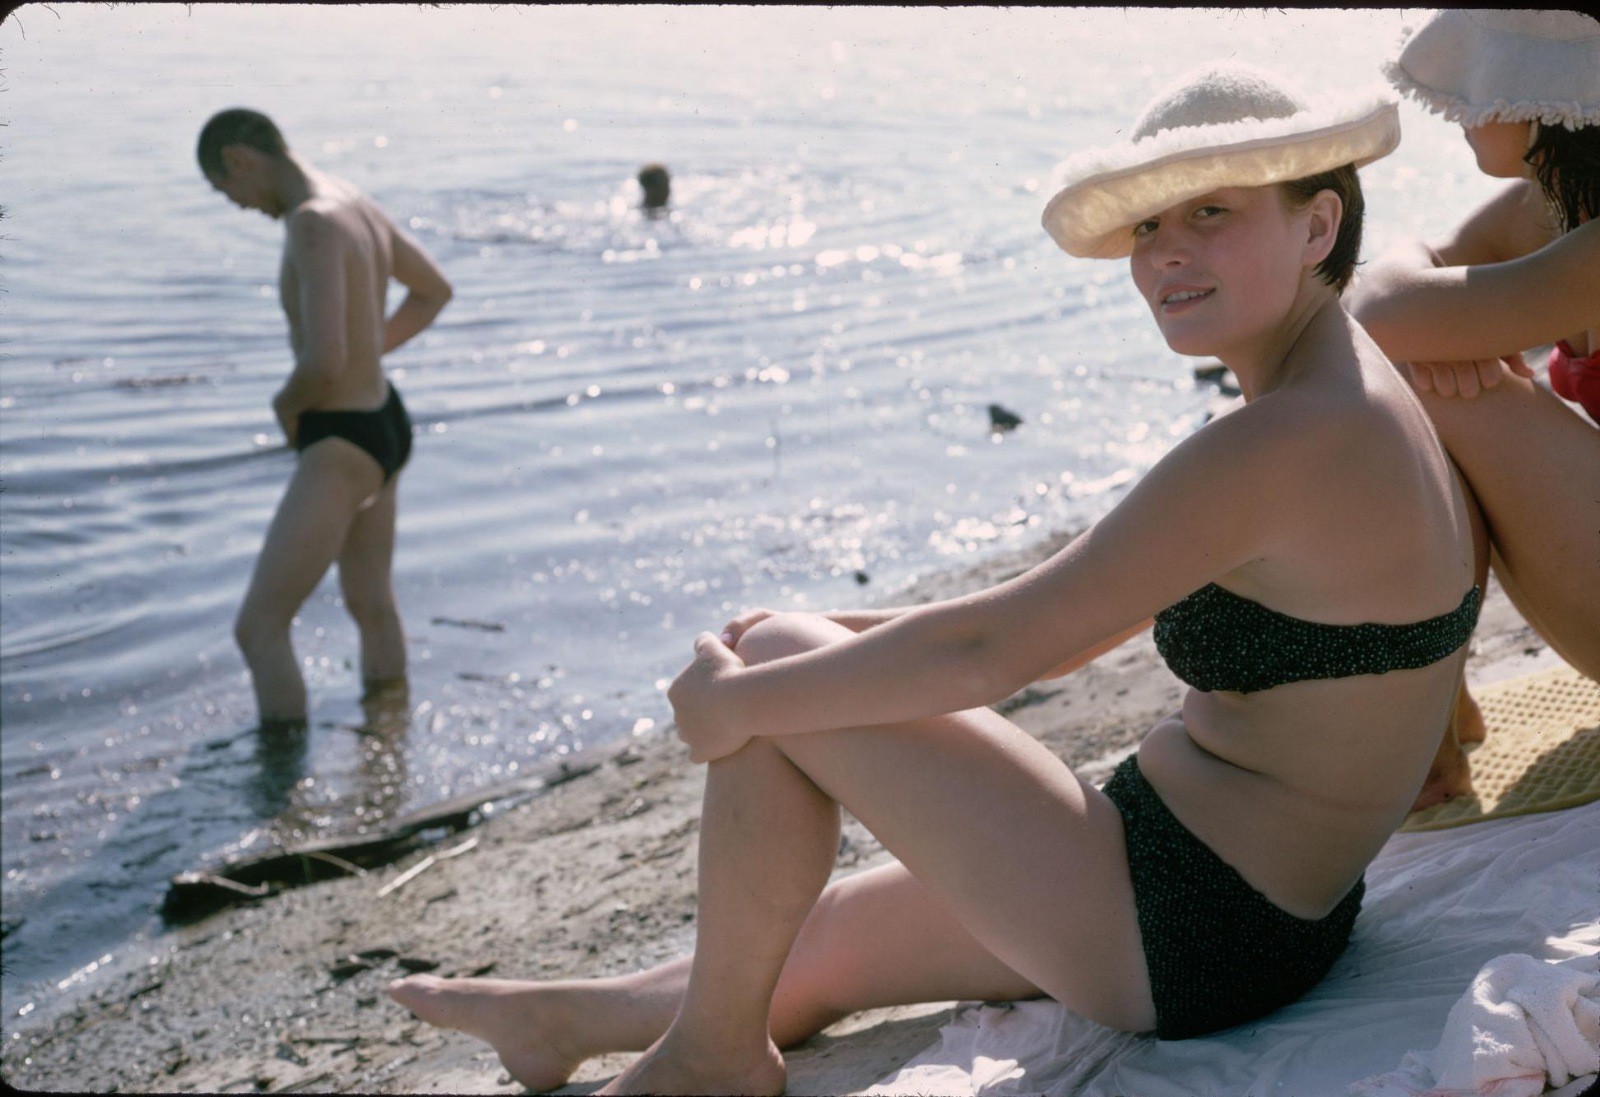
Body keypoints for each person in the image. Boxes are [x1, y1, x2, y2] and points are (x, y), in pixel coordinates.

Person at [389, 64, 1479, 1095]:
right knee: (804, 938)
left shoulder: (1286, 438)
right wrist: (842, 626)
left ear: (1318, 223)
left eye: (1211, 213)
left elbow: (998, 653)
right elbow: (1078, 602)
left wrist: (739, 698)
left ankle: (716, 1055)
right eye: (1149, 223)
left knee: (775, 671)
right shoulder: (1346, 384)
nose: (1165, 254)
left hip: (1188, 923)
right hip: (1261, 905)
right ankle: (570, 1018)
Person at [1349, 10, 1600, 808]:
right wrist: (1449, 332)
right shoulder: (1553, 207)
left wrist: (1447, 339)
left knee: (1418, 385)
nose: (1457, 105)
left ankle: (1422, 720)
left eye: (1482, 83)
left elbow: (1382, 309)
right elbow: (1396, 291)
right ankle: (1430, 710)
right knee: (1422, 372)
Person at [196, 108, 453, 729]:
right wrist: (372, 348)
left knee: (259, 628)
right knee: (371, 604)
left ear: (238, 159)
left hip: (340, 441)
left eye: (223, 188)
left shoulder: (310, 223)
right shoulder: (352, 202)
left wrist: (283, 407)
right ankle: (388, 754)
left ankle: (282, 797)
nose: (235, 204)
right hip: (385, 423)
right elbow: (433, 291)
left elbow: (325, 360)